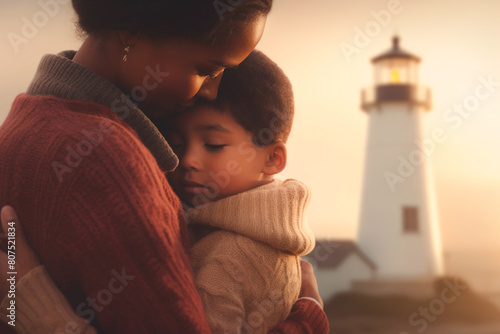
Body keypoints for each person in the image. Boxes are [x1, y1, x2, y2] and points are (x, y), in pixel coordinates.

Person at [0, 1, 328, 333]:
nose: (212, 92)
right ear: (131, 33)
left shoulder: (22, 123)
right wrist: (307, 319)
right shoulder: (111, 162)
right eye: (205, 69)